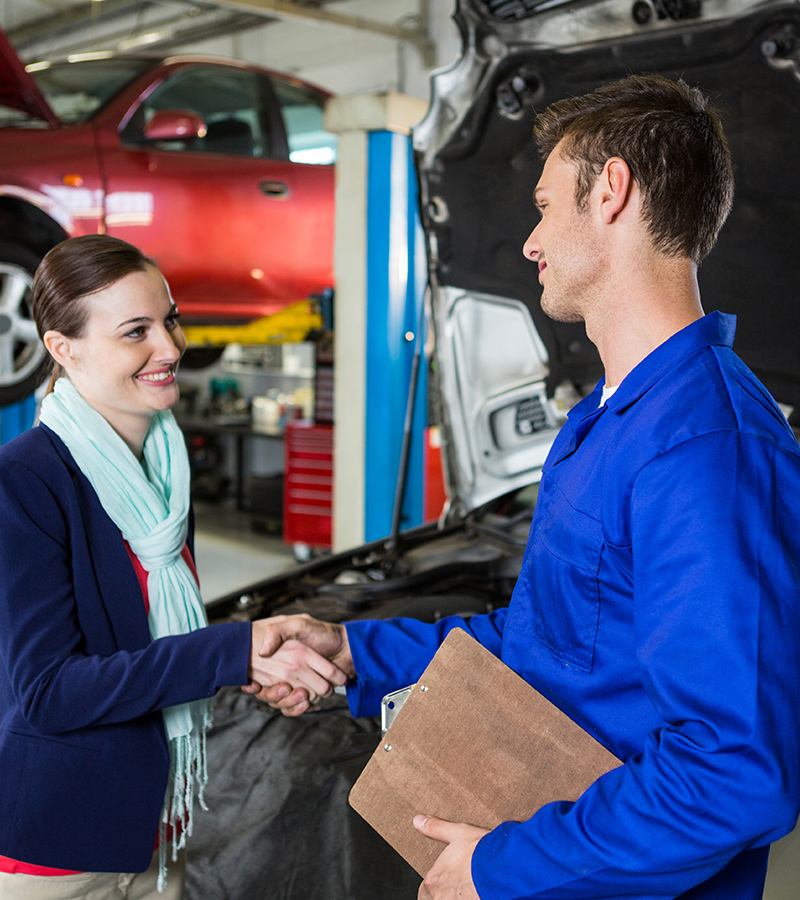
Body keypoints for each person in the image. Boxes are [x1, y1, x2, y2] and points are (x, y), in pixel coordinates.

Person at [252, 75, 800, 900]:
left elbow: (733, 772)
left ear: (611, 191)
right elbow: (542, 644)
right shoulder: (610, 418)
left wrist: (505, 865)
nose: (530, 242)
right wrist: (357, 651)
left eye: (545, 206)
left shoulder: (706, 448)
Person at [0, 234, 346, 899]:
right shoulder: (26, 480)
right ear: (62, 349)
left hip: (157, 823)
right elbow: (49, 691)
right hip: (59, 848)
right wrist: (229, 652)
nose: (171, 347)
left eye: (171, 319)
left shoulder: (163, 467)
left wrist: (254, 658)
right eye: (137, 332)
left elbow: (143, 641)